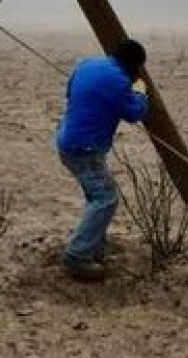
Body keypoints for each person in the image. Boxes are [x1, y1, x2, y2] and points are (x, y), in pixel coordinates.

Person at [54, 38, 150, 281]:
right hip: (85, 149)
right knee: (105, 198)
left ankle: (96, 247)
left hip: (67, 140)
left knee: (95, 195)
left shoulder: (86, 64)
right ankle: (78, 256)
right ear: (134, 65)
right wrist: (140, 92)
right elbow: (134, 113)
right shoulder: (119, 80)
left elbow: (69, 93)